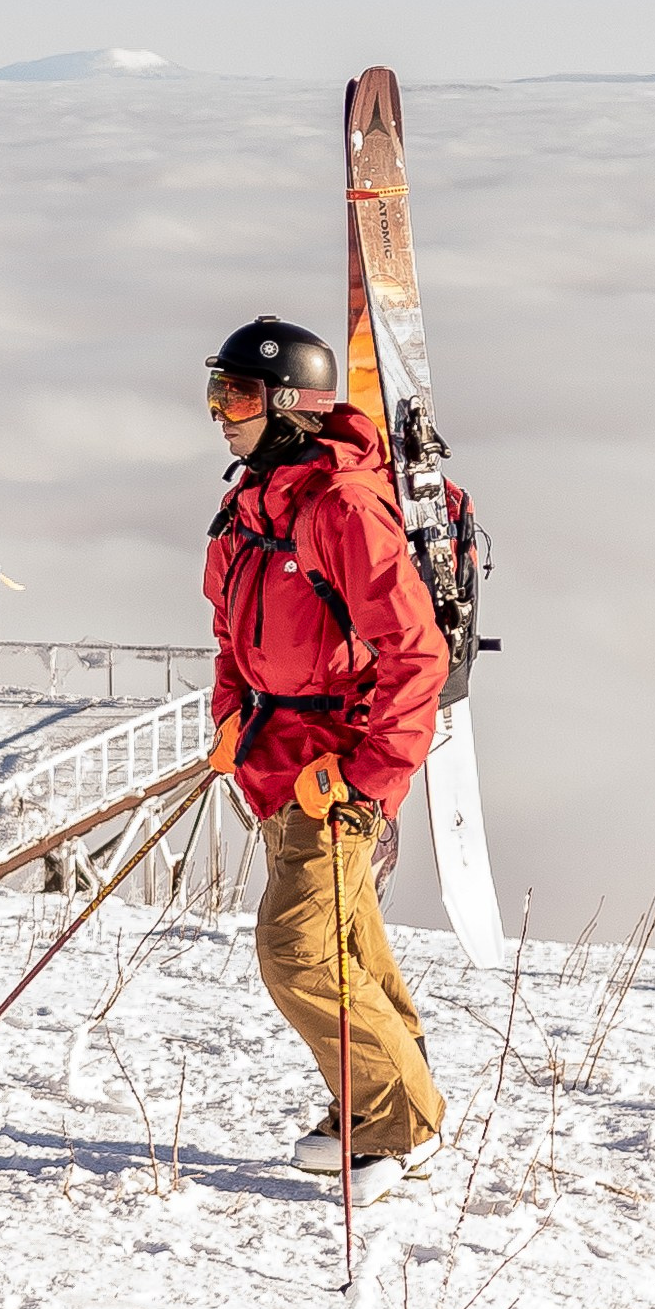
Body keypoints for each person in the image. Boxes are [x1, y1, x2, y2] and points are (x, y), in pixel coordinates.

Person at [202, 312, 450, 1204]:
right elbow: (232, 632)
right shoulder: (251, 500)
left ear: (286, 406)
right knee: (344, 939)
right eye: (215, 392)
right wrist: (232, 717)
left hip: (329, 770)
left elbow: (416, 653)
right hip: (275, 762)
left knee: (295, 953)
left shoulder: (340, 506)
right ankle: (382, 1096)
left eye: (233, 394)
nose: (219, 412)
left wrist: (365, 777)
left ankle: (398, 1120)